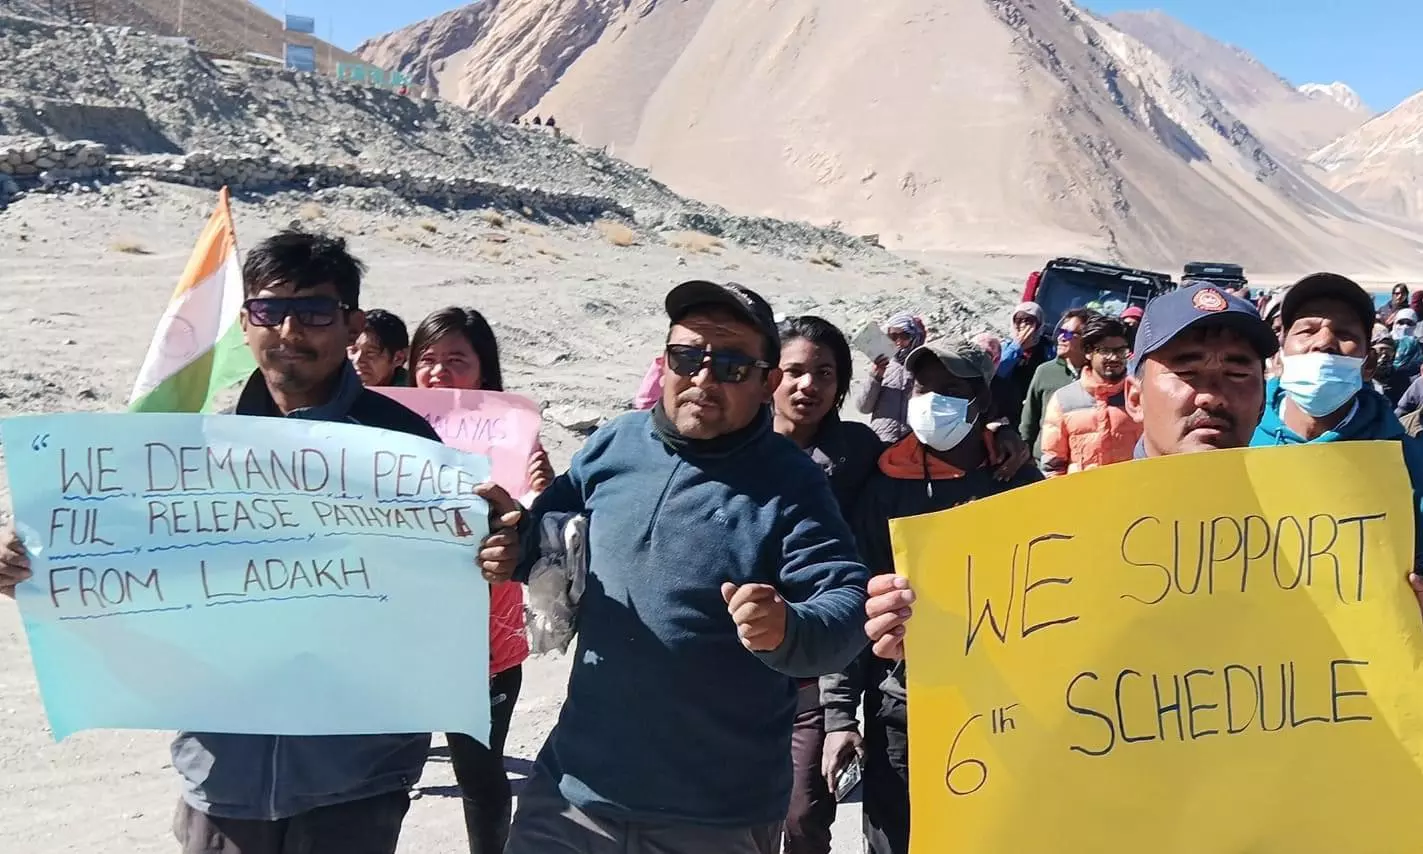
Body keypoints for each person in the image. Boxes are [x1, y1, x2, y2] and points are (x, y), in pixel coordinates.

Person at [0, 229, 524, 854]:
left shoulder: (410, 453)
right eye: (270, 310)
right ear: (245, 322)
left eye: (313, 312)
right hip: (222, 775)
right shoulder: (190, 454)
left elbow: (449, 587)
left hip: (354, 779)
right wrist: (39, 567)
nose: (289, 330)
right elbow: (130, 579)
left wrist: (497, 548)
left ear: (350, 323)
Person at [501, 281, 871, 854]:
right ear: (665, 361)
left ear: (766, 383)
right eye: (688, 357)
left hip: (711, 816)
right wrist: (511, 543)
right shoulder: (614, 445)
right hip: (571, 793)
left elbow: (845, 604)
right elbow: (546, 540)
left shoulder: (791, 483)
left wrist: (786, 628)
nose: (703, 379)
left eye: (731, 365)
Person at [821, 337, 1043, 854]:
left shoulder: (1017, 480)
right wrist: (839, 715)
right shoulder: (884, 482)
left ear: (981, 402)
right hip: (903, 708)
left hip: (1005, 706)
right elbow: (855, 597)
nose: (932, 399)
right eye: (924, 386)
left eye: (951, 389)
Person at [407, 306, 553, 854]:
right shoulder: (380, 437)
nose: (438, 372)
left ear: (483, 372)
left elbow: (542, 542)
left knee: (478, 772)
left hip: (485, 642)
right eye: (427, 359)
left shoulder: (515, 444)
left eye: (455, 361)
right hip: (398, 638)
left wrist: (536, 498)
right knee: (383, 772)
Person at [770, 316, 884, 854]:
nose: (807, 385)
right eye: (793, 370)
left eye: (824, 373)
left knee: (804, 816)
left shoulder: (859, 452)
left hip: (817, 669)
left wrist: (997, 439)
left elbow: (928, 470)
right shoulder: (731, 446)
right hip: (730, 666)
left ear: (841, 385)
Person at [1251, 274, 1423, 558]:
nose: (1324, 342)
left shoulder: (1409, 464)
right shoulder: (1236, 441)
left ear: (1368, 366)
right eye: (1307, 330)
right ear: (1279, 359)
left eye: (1345, 334)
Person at [1039, 315, 1140, 476]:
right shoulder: (1064, 400)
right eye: (1105, 351)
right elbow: (1053, 465)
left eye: (1120, 351)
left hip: (1131, 495)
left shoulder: (1140, 397)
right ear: (1088, 352)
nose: (1114, 358)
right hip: (1081, 497)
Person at [1019, 308, 1098, 457]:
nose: (1061, 337)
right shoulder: (1045, 372)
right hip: (1042, 465)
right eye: (1061, 331)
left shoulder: (1101, 378)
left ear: (1088, 340)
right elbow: (1028, 424)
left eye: (1069, 334)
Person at [855, 313, 927, 443]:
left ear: (915, 336)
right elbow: (864, 408)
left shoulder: (924, 366)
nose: (898, 342)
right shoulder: (883, 366)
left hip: (914, 444)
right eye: (893, 337)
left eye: (905, 336)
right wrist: (876, 376)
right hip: (881, 442)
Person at [994, 302, 1047, 426]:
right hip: (1003, 411)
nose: (1023, 325)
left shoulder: (1047, 350)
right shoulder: (1005, 347)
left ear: (1038, 325)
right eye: (1018, 320)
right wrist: (1017, 347)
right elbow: (996, 372)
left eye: (1029, 321)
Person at [348, 307, 411, 386]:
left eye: (370, 353)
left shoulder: (415, 394)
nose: (358, 361)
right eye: (353, 351)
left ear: (398, 358)